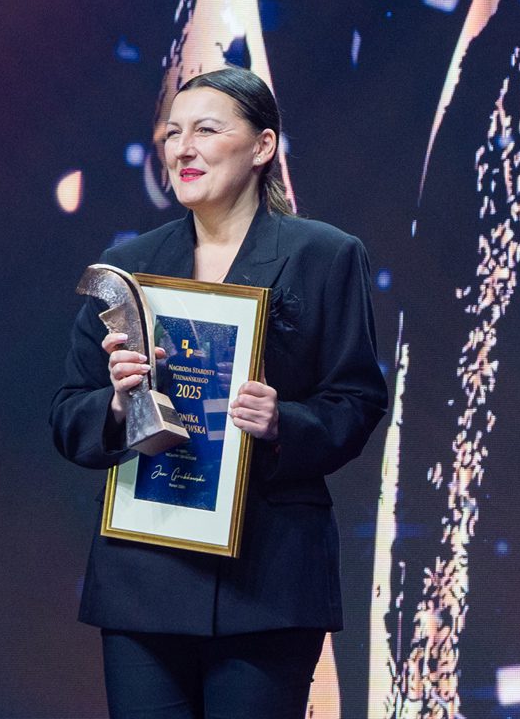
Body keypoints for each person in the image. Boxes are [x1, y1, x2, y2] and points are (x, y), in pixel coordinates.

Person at [50, 66, 388, 718]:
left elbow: (356, 399)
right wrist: (118, 406)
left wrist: (283, 421)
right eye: (172, 133)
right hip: (143, 573)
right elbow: (68, 414)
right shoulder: (129, 268)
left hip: (268, 577)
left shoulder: (325, 255)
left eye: (206, 130)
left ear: (263, 146)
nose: (183, 148)